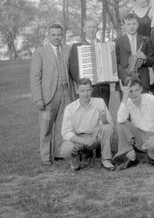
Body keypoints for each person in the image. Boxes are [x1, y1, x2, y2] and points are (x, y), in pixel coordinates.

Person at [30, 23, 74, 165]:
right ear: (48, 36)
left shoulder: (67, 50)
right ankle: (45, 157)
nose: (56, 37)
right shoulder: (40, 52)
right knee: (46, 126)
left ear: (62, 35)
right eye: (53, 35)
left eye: (59, 35)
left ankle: (60, 153)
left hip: (66, 92)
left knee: (63, 125)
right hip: (49, 95)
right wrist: (38, 98)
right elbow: (35, 78)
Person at [114, 77, 154, 169]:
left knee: (152, 144)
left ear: (141, 89)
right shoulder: (127, 101)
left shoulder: (151, 99)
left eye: (136, 90)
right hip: (140, 135)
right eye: (130, 91)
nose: (134, 94)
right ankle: (131, 156)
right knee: (120, 124)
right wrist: (125, 97)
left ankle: (152, 155)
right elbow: (120, 119)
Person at [60, 78, 114, 171]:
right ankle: (75, 163)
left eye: (88, 90)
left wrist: (104, 120)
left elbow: (109, 125)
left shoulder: (99, 102)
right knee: (66, 148)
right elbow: (66, 132)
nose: (86, 94)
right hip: (78, 139)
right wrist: (83, 141)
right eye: (82, 91)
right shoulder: (70, 108)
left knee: (107, 127)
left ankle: (106, 159)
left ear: (92, 90)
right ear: (77, 91)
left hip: (95, 137)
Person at [67, 18, 111, 106]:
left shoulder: (104, 46)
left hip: (103, 88)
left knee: (102, 114)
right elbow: (73, 69)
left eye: (94, 27)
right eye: (89, 27)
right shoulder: (77, 47)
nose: (91, 30)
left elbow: (109, 65)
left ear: (97, 29)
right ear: (84, 29)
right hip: (86, 89)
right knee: (86, 115)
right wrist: (84, 83)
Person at [116, 13, 153, 92]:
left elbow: (152, 61)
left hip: (143, 80)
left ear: (138, 24)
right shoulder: (118, 41)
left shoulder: (146, 39)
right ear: (124, 26)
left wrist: (145, 58)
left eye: (134, 24)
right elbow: (116, 63)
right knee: (126, 104)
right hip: (125, 80)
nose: (131, 27)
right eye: (128, 24)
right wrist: (125, 77)